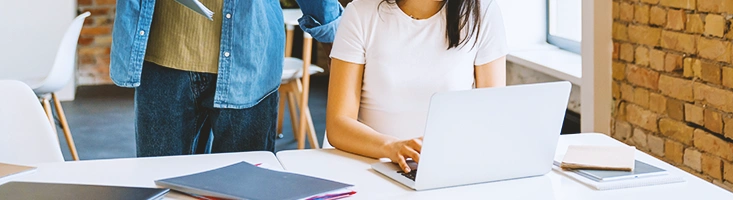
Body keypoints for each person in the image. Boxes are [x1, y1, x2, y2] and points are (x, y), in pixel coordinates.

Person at [110, 0, 343, 157]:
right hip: (163, 57)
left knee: (244, 185)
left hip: (250, 57)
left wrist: (331, 33)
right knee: (160, 184)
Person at [326, 0, 508, 172]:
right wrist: (391, 147)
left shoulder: (482, 12)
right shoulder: (361, 12)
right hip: (373, 166)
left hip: (450, 167)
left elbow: (492, 119)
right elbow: (338, 124)